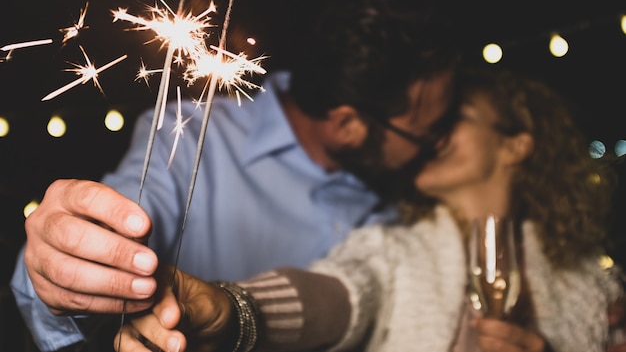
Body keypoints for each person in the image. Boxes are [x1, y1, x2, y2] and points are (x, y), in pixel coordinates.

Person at [11, 0, 462, 352]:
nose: (440, 144)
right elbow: (114, 231)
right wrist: (65, 265)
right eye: (428, 131)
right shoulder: (189, 136)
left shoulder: (404, 192)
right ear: (348, 125)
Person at [117, 67, 625, 352]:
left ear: (516, 145)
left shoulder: (593, 281)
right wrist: (232, 307)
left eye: (456, 119)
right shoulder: (393, 246)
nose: (431, 133)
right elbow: (339, 292)